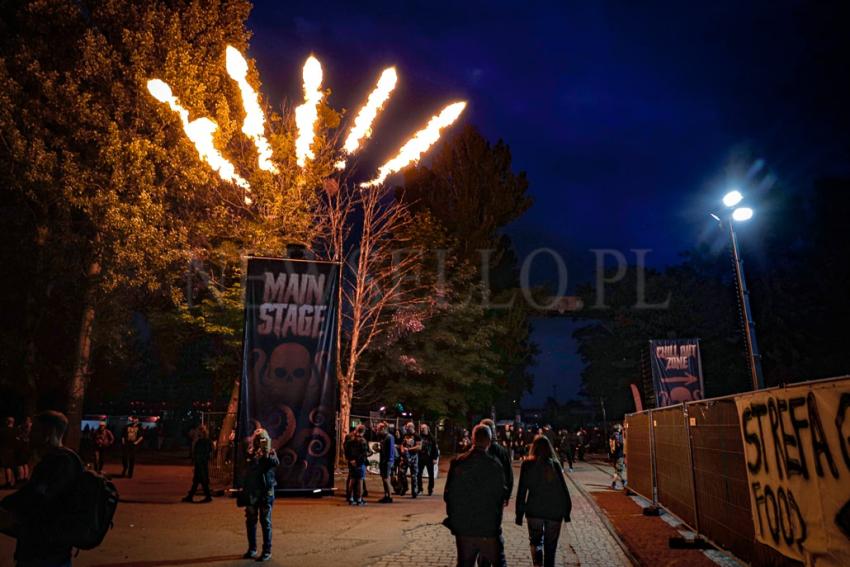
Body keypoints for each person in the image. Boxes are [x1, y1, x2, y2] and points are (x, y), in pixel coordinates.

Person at [0, 410, 81, 567]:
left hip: (44, 550)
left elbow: (35, 497)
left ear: (48, 432)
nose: (29, 435)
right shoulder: (64, 459)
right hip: (51, 548)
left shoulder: (58, 462)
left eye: (35, 430)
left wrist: (6, 504)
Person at [444, 424, 508, 567]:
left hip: (464, 527)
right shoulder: (494, 465)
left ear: (473, 439)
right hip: (488, 528)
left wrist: (455, 519)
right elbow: (500, 495)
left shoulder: (459, 462)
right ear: (488, 441)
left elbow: (449, 494)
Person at [516, 435, 572, 567]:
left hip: (534, 510)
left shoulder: (527, 465)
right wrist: (567, 512)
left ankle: (537, 563)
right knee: (551, 549)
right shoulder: (555, 465)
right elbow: (563, 490)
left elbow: (522, 490)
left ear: (533, 448)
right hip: (554, 512)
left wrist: (519, 514)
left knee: (535, 543)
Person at [478, 418, 512, 567]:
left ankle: (485, 559)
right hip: (495, 498)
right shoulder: (501, 451)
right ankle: (491, 557)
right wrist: (506, 495)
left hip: (480, 498)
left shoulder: (475, 452)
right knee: (493, 529)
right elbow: (509, 476)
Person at [241, 428, 279, 562]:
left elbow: (275, 463)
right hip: (253, 492)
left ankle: (267, 551)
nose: (259, 442)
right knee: (251, 521)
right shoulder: (251, 453)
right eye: (257, 439)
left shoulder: (270, 453)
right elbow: (246, 471)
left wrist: (266, 453)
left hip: (265, 492)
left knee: (265, 521)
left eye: (262, 439)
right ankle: (252, 549)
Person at [182, 425, 213, 503]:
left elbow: (202, 453)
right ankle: (191, 496)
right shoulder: (204, 441)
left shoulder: (203, 442)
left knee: (201, 480)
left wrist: (198, 460)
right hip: (201, 463)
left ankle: (206, 496)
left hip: (201, 463)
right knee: (198, 481)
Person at [344, 424, 368, 505]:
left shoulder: (350, 439)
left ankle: (350, 498)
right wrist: (358, 462)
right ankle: (359, 499)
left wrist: (351, 460)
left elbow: (346, 450)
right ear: (363, 432)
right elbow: (363, 454)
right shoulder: (363, 441)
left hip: (351, 462)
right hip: (359, 463)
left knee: (352, 480)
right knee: (360, 481)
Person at [399, 422, 421, 498]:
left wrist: (409, 449)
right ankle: (404, 487)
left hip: (413, 457)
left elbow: (419, 447)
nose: (407, 428)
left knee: (414, 475)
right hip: (405, 457)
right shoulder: (405, 435)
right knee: (402, 473)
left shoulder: (417, 436)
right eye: (407, 427)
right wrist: (402, 449)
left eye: (408, 427)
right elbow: (402, 444)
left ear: (412, 427)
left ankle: (414, 491)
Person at [417, 423, 439, 496]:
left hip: (429, 458)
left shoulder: (432, 437)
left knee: (431, 475)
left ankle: (430, 489)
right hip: (420, 458)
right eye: (421, 428)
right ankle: (420, 489)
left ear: (427, 429)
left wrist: (435, 458)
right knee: (418, 474)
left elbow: (435, 449)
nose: (422, 429)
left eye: (424, 428)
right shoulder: (419, 437)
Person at [376, 422, 395, 503]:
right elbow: (384, 450)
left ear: (383, 429)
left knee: (386, 479)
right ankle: (386, 495)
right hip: (384, 460)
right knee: (384, 478)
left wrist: (388, 461)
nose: (377, 431)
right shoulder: (384, 437)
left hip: (387, 461)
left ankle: (389, 496)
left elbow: (390, 451)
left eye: (379, 429)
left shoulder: (389, 437)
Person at [14, 417, 32, 484]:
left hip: (22, 446)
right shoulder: (31, 427)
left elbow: (18, 436)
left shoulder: (22, 427)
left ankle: (21, 478)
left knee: (20, 463)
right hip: (27, 446)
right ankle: (25, 478)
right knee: (25, 463)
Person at [2, 417, 17, 488]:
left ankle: (8, 482)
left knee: (7, 466)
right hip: (13, 450)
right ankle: (15, 481)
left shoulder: (4, 430)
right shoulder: (16, 430)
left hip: (6, 450)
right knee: (12, 466)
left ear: (7, 422)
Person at [609, 424, 625, 489]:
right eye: (620, 427)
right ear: (618, 429)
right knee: (619, 470)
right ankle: (622, 481)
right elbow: (621, 444)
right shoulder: (619, 436)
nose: (621, 428)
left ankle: (617, 483)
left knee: (617, 470)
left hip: (614, 455)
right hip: (619, 455)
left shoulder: (612, 436)